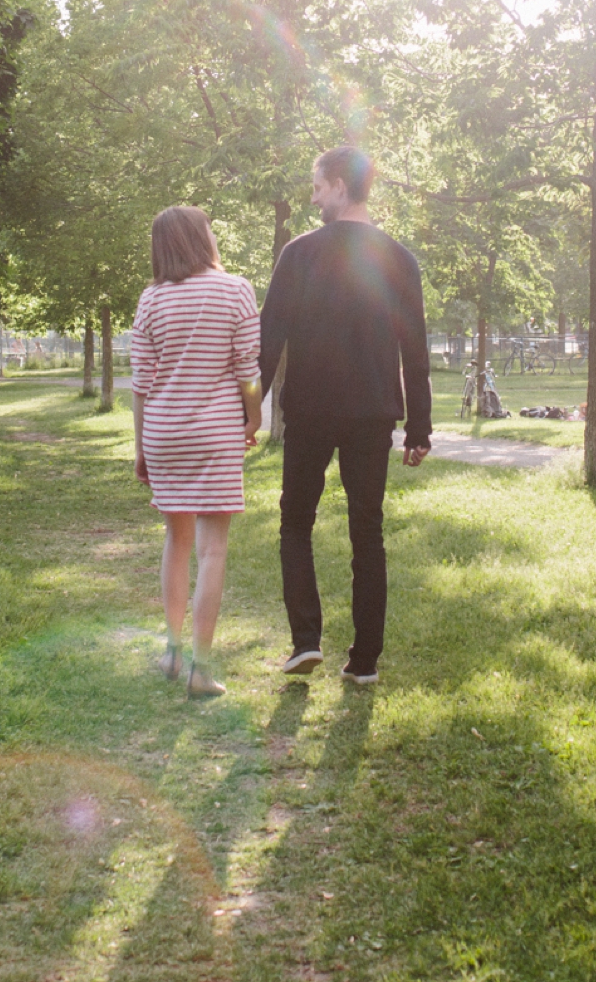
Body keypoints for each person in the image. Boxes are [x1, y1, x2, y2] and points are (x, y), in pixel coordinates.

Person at [258, 146, 431, 687]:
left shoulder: (299, 253)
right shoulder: (398, 257)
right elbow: (416, 350)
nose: (312, 196)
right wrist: (418, 428)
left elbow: (268, 340)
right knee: (367, 533)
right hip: (372, 414)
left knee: (294, 523)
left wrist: (249, 410)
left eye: (315, 185)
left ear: (337, 184)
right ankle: (364, 663)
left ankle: (306, 641)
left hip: (310, 411)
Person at [129, 206, 261, 699]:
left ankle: (170, 653)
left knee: (176, 541)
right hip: (215, 433)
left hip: (164, 433)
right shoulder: (236, 290)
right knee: (213, 549)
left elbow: (141, 384)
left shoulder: (151, 299)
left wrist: (141, 446)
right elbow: (247, 364)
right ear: (197, 237)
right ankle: (201, 671)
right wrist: (254, 415)